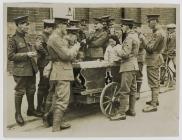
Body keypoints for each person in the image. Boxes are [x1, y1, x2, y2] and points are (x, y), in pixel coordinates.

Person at [46, 17, 82, 132]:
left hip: (59, 71)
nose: (66, 28)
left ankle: (55, 122)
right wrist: (76, 47)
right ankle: (56, 128)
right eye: (65, 26)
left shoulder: (57, 37)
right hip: (62, 71)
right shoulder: (55, 38)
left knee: (57, 98)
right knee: (62, 101)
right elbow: (66, 55)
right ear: (60, 26)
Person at [8, 16, 42, 126]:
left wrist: (35, 49)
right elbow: (11, 56)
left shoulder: (26, 37)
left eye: (28, 24)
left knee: (31, 90)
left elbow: (30, 49)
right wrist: (26, 54)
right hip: (21, 71)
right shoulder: (12, 39)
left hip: (31, 69)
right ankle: (17, 114)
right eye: (25, 24)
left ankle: (31, 110)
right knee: (20, 91)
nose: (27, 26)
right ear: (18, 25)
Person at [110, 19, 140, 120]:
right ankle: (131, 110)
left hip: (127, 66)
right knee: (132, 89)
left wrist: (117, 50)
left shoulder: (128, 37)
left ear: (127, 26)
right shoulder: (135, 35)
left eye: (122, 26)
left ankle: (121, 113)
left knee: (124, 90)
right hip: (134, 65)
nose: (121, 28)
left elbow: (125, 54)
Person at [140, 14, 167, 112]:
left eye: (149, 22)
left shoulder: (158, 33)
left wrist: (143, 39)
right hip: (155, 58)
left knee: (153, 82)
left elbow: (151, 49)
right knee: (155, 81)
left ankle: (153, 105)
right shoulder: (158, 32)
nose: (148, 24)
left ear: (154, 21)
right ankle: (155, 100)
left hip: (153, 59)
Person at [35, 19, 55, 115]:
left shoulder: (49, 36)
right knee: (43, 85)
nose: (53, 30)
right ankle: (39, 107)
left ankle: (44, 105)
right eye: (52, 28)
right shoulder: (41, 35)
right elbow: (38, 46)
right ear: (47, 28)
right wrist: (47, 54)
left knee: (47, 85)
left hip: (48, 63)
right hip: (43, 63)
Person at [133, 22, 146, 100]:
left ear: (140, 28)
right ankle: (134, 91)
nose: (135, 29)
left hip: (139, 59)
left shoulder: (141, 37)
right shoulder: (134, 36)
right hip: (133, 58)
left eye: (136, 28)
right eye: (134, 28)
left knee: (138, 75)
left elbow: (140, 47)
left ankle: (138, 92)